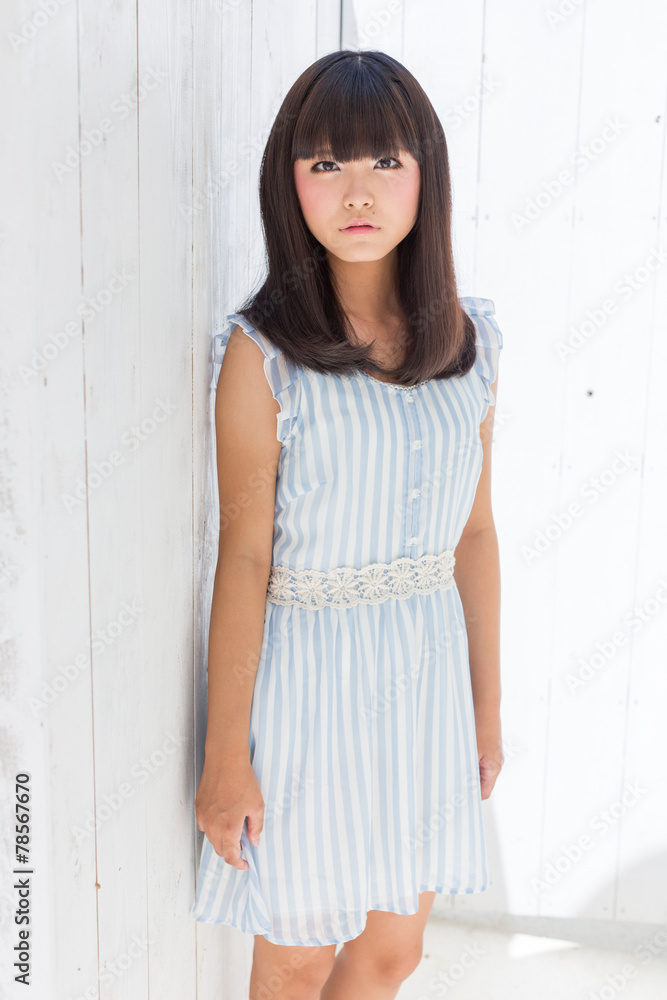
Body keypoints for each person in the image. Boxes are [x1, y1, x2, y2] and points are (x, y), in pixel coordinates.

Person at [191, 48, 505, 1000]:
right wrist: (225, 753)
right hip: (306, 688)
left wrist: (484, 710)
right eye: (325, 162)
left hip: (425, 679)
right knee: (296, 958)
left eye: (384, 161)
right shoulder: (263, 356)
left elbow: (474, 536)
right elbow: (245, 557)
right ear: (288, 182)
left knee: (392, 952)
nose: (356, 191)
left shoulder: (470, 344)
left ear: (425, 176)